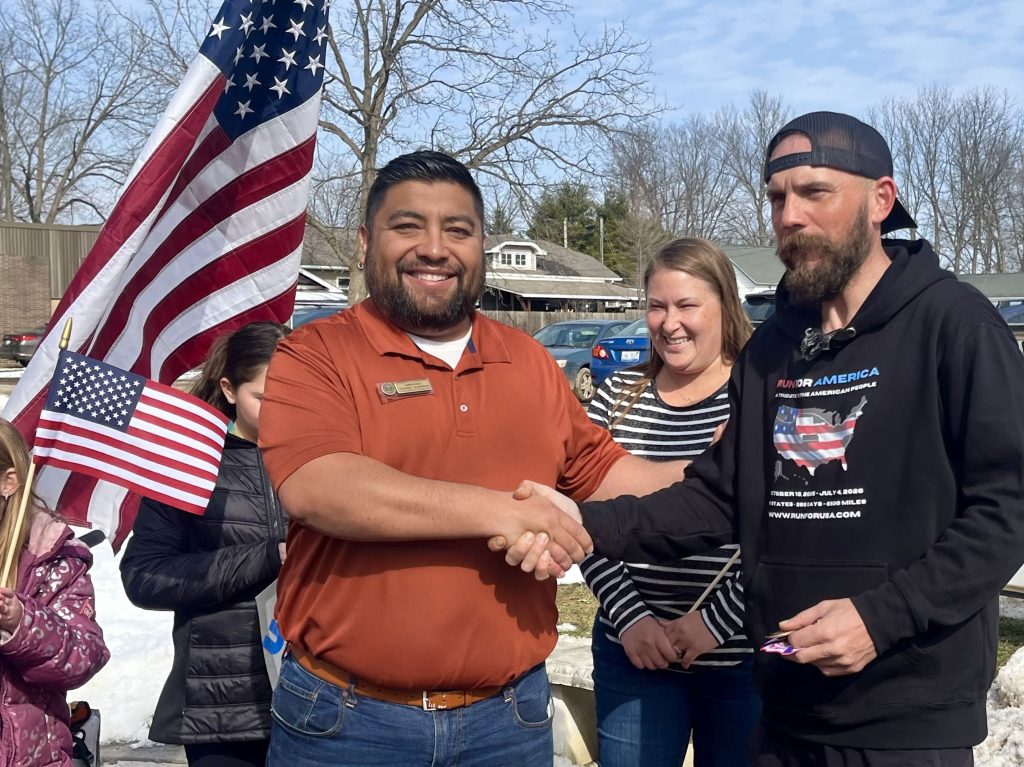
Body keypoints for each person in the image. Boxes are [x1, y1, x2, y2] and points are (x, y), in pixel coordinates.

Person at [503, 112, 1024, 765]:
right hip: (783, 709)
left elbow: (1008, 510)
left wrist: (884, 615)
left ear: (879, 200)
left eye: (814, 192)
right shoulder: (774, 347)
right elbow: (717, 498)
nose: (789, 215)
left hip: (906, 719)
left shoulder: (955, 325)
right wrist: (583, 521)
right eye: (777, 197)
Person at [257, 150, 686, 766]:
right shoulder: (316, 352)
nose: (434, 248)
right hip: (348, 724)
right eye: (408, 226)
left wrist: (720, 466)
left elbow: (606, 474)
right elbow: (320, 486)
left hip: (507, 722)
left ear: (481, 244)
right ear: (364, 242)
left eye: (457, 230)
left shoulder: (529, 360)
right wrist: (503, 513)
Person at [582, 237, 759, 767]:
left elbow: (783, 526)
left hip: (740, 657)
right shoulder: (615, 398)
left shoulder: (761, 396)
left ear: (725, 306)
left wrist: (715, 621)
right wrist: (630, 617)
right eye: (657, 305)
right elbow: (584, 514)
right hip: (633, 651)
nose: (669, 322)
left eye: (686, 305)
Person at [120, 321, 290, 767]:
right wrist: (269, 557)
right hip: (223, 704)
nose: (283, 414)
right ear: (229, 390)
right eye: (266, 400)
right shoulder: (190, 463)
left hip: (317, 697)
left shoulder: (327, 457)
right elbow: (145, 576)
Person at [0, 418, 109, 767]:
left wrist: (22, 622)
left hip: (27, 754)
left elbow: (85, 654)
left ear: (8, 481)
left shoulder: (50, 556)